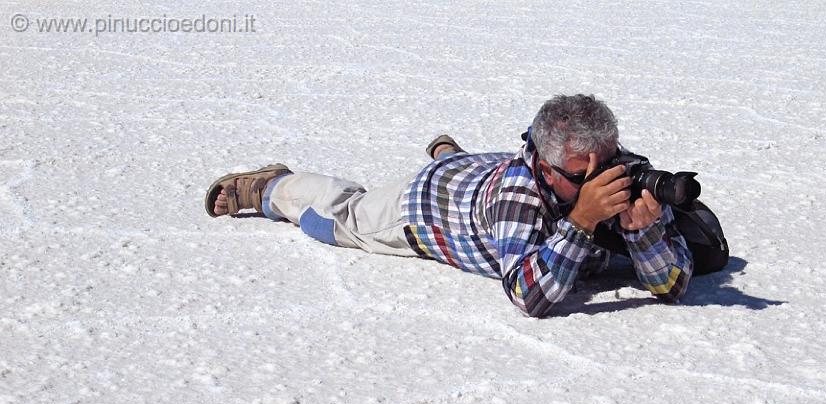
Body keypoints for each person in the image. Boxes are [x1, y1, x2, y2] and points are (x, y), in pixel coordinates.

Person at [204, 94, 693, 317]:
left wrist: (645, 232)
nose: (598, 182)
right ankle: (271, 188)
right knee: (340, 217)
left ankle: (452, 155)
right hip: (427, 208)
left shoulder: (619, 171)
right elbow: (530, 296)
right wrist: (584, 219)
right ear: (544, 167)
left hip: (479, 173)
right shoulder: (518, 195)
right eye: (579, 177)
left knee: (475, 171)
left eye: (603, 166)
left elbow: (672, 286)